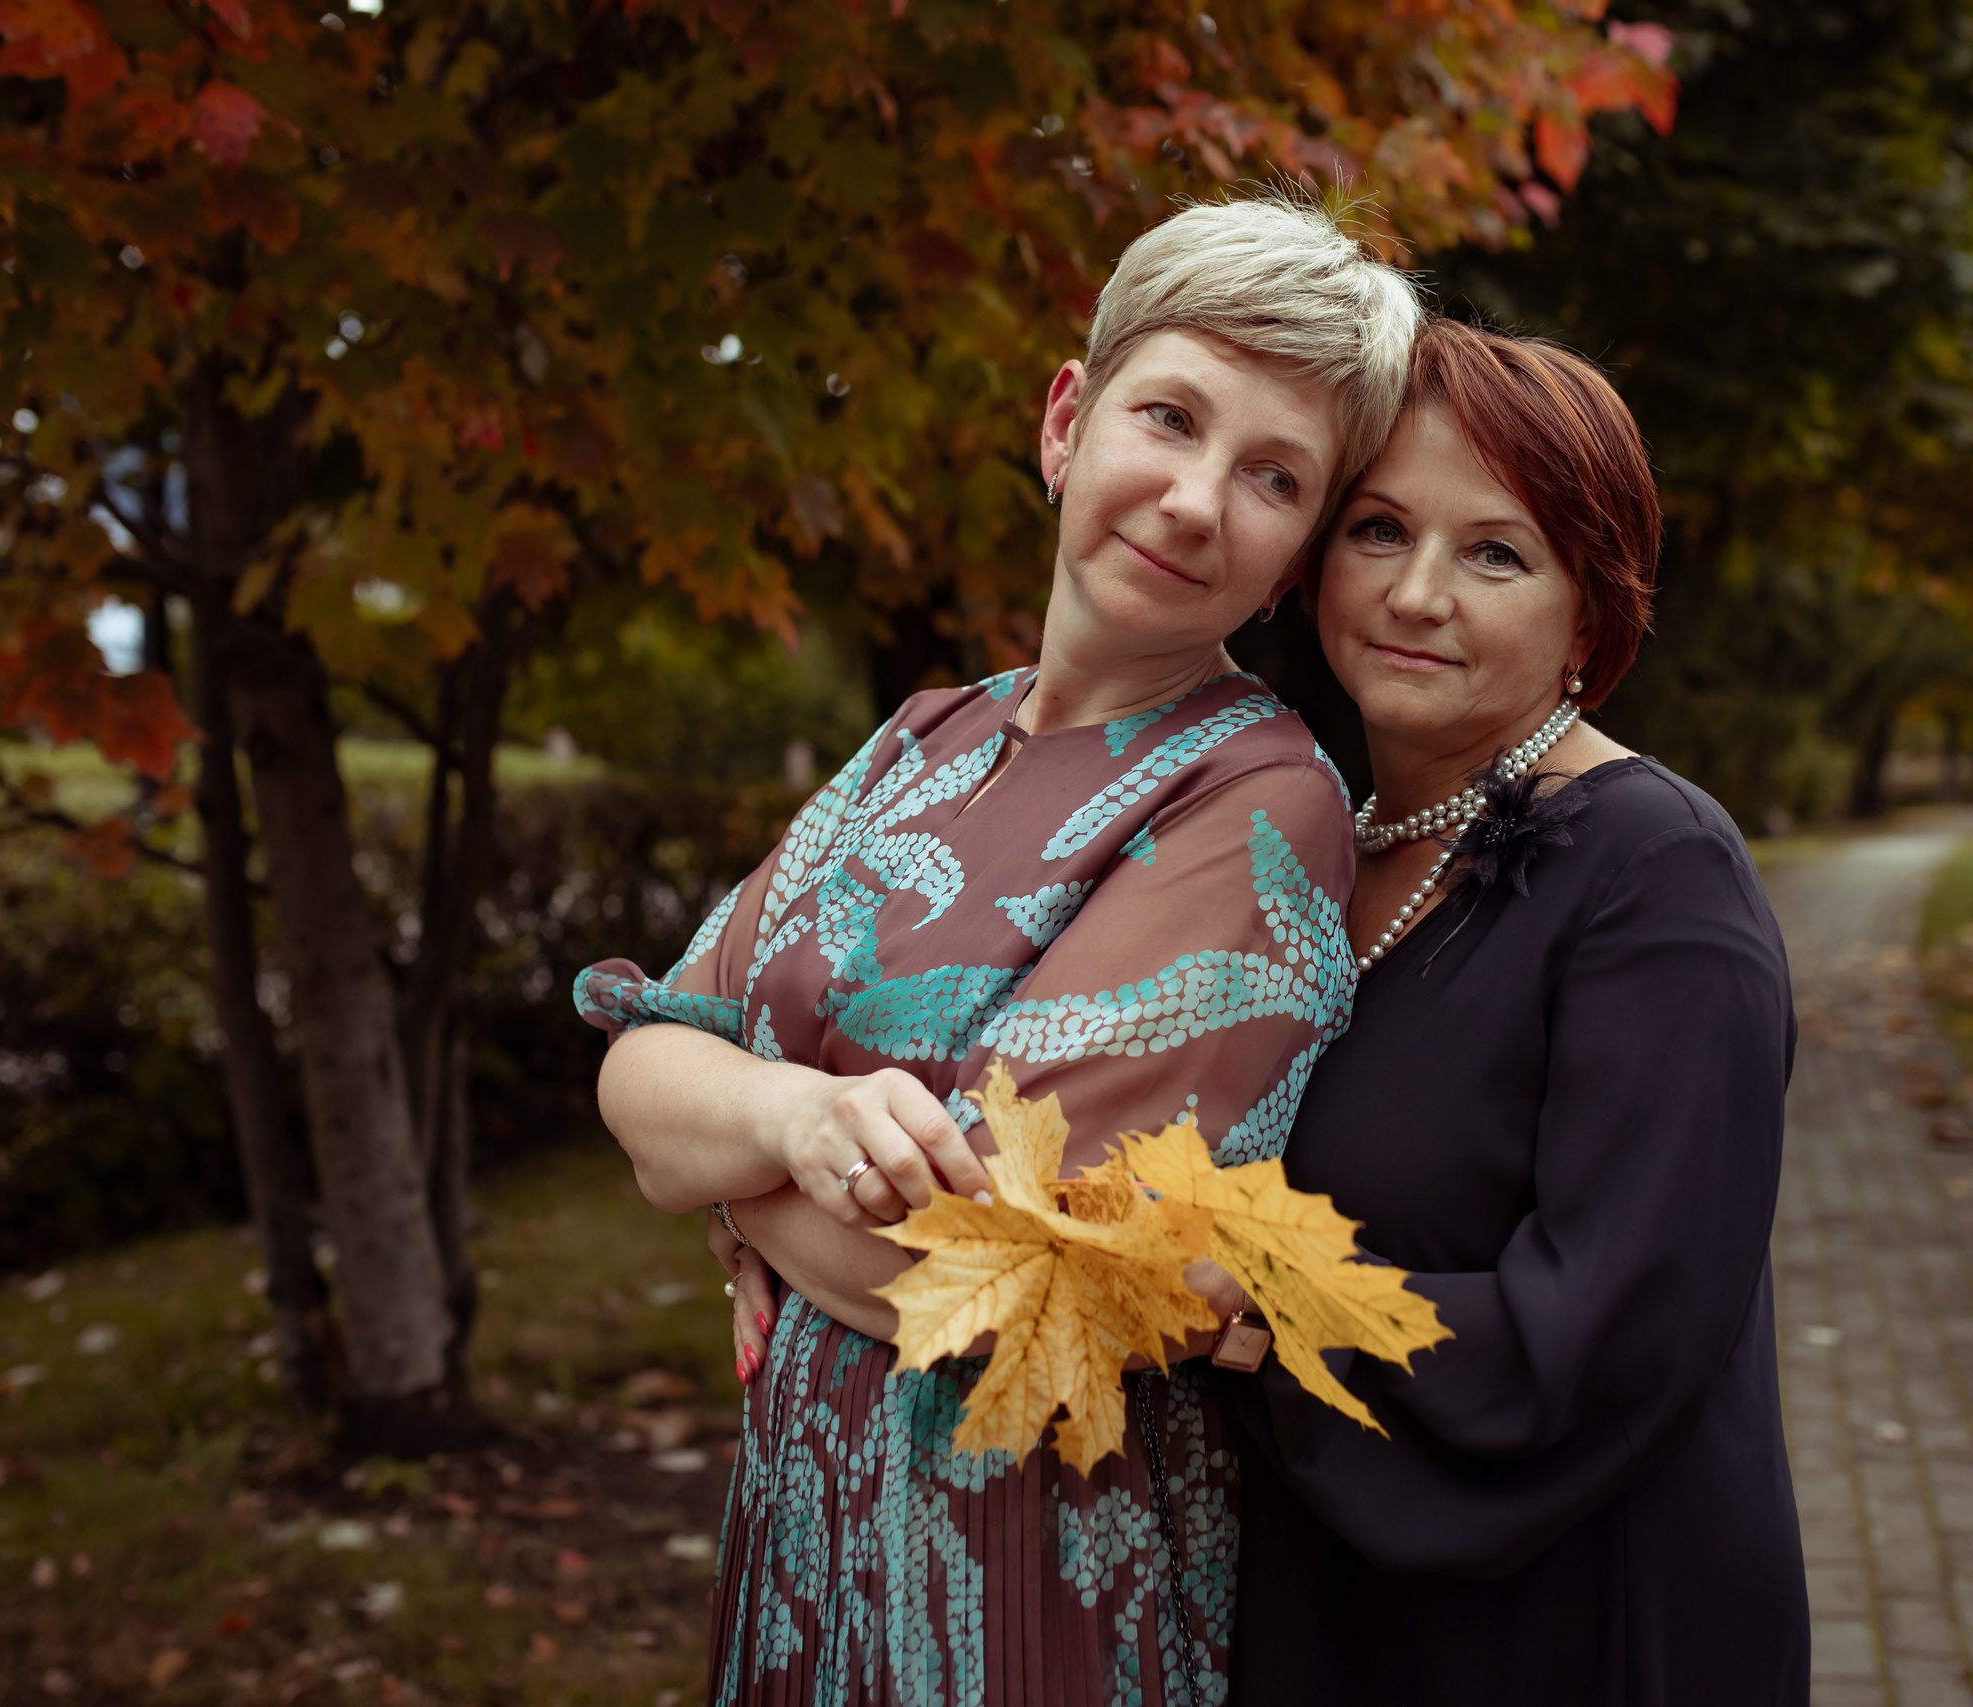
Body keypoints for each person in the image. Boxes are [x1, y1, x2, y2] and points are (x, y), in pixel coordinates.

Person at [576, 195, 1421, 1706]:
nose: (1192, 500)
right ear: (1065, 420)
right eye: (1169, 417)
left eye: (1273, 476)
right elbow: (643, 1076)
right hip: (799, 1544)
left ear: (1296, 553)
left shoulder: (1255, 801)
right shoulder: (924, 737)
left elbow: (983, 1286)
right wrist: (793, 1121)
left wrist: (738, 1200)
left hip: (1027, 1591)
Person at [1220, 318, 1809, 1703]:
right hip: (1341, 1587)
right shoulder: (1323, 841)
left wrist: (1269, 1310)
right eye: (1379, 530)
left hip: (1569, 1613)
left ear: (1588, 622)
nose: (1419, 592)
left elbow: (1611, 1330)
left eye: (1496, 553)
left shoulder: (1659, 877)